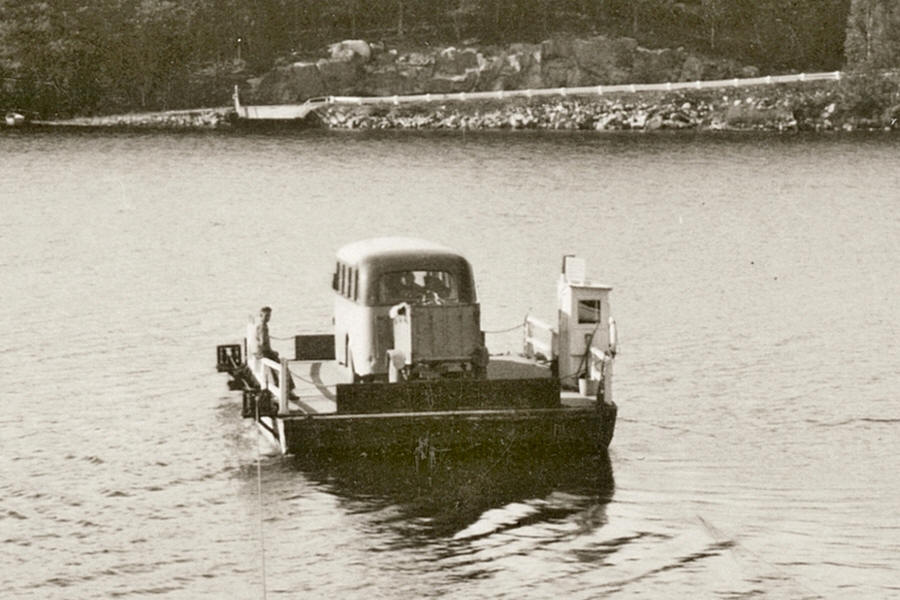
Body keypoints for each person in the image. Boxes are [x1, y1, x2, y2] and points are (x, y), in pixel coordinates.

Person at [255, 306, 295, 394]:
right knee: (283, 368)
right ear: (260, 315)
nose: (268, 318)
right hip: (264, 353)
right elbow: (263, 342)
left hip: (262, 352)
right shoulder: (263, 327)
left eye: (269, 316)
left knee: (277, 368)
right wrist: (271, 352)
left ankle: (282, 387)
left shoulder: (260, 326)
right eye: (266, 316)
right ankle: (289, 389)